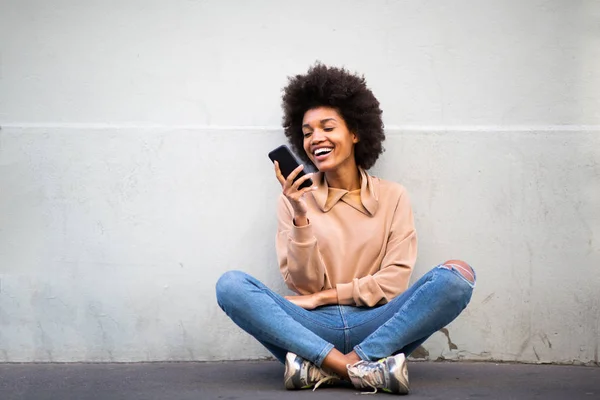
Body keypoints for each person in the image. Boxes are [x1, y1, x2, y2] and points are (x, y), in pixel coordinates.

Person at [216, 63, 476, 394]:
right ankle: (357, 368)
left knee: (457, 276)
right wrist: (300, 215)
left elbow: (393, 283)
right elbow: (303, 284)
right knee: (231, 286)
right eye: (307, 132)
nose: (316, 139)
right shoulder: (294, 198)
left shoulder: (393, 196)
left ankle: (321, 368)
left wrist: (325, 296)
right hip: (313, 328)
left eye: (327, 127)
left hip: (377, 325)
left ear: (354, 132)